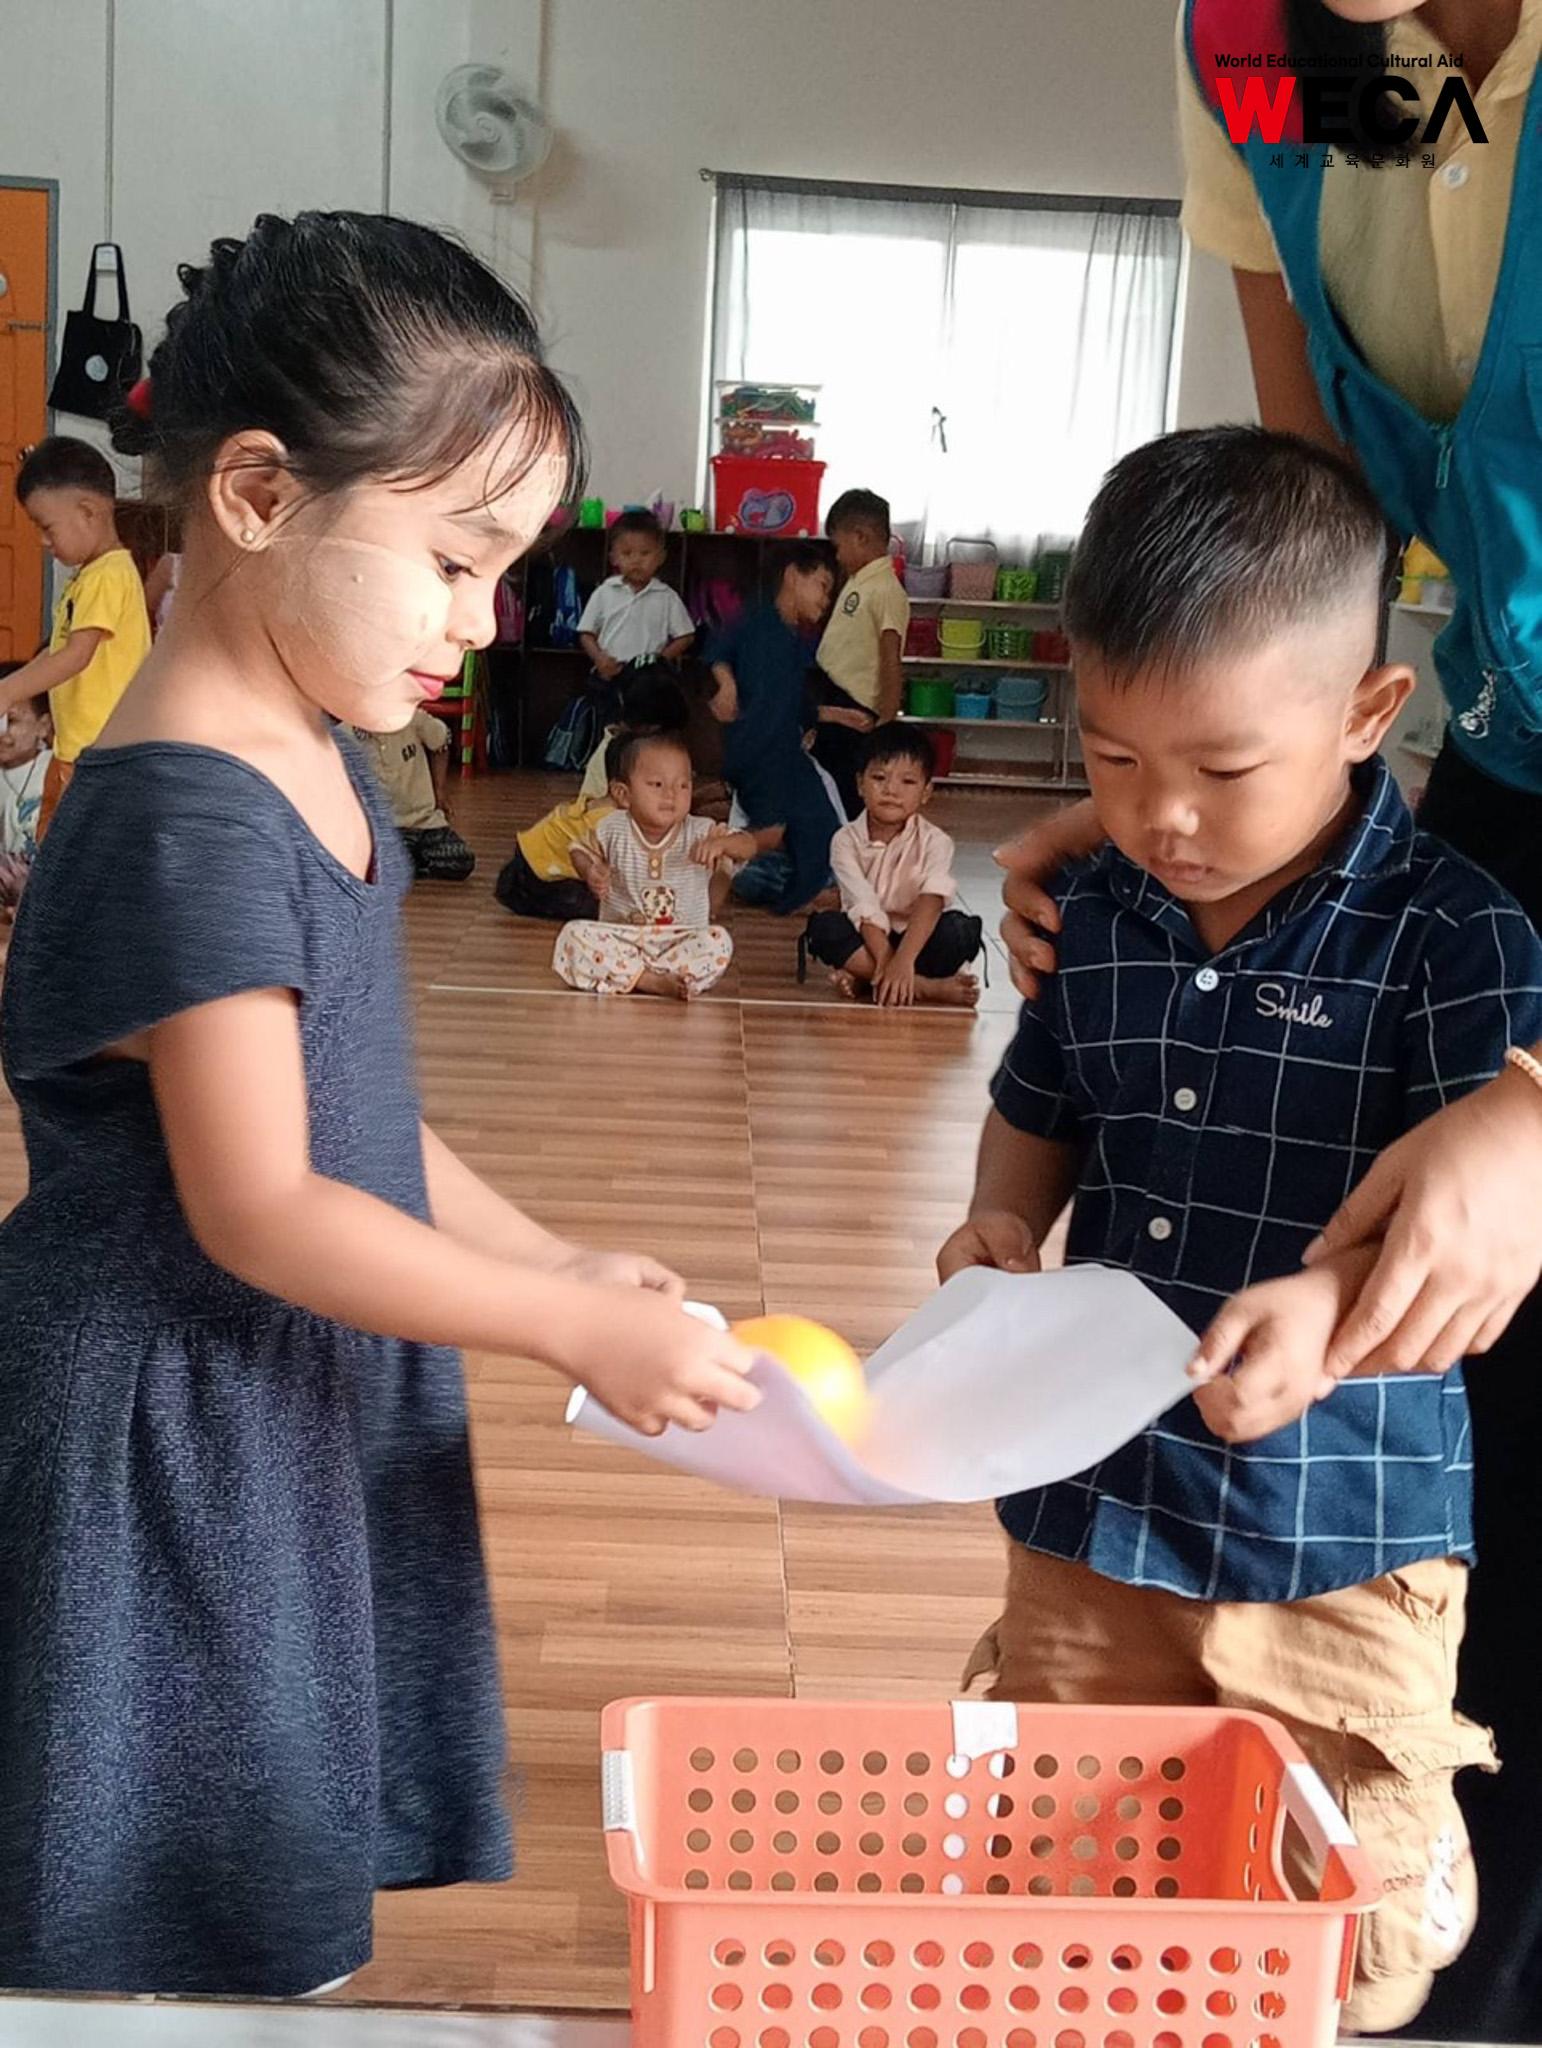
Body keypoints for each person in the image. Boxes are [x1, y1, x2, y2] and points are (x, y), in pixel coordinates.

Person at [0, 210, 759, 2001]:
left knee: (253, 1861)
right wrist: (554, 1323)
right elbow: (264, 1202)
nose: (482, 624)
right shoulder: (188, 817)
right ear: (258, 494)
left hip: (270, 1383)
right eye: (451, 561)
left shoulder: (311, 746)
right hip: (170, 1426)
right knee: (165, 1907)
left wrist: (549, 1253)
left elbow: (356, 1114)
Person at [999, 9, 1542, 2030]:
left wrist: (1532, 1102)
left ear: (1360, 720)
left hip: (1345, 1532)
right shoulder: (1262, 37)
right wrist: (1206, 792)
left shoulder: (1454, 939)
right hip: (1497, 740)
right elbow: (1311, 506)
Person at [0, 436, 152, 838]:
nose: (42, 540)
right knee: (53, 842)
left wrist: (10, 691)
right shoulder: (89, 577)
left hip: (99, 754)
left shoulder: (109, 575)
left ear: (88, 511)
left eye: (46, 527)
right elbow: (57, 648)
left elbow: (76, 655)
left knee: (73, 848)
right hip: (77, 750)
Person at [805, 723, 982, 1008]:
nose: (891, 790)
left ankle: (867, 977)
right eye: (879, 778)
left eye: (907, 782)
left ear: (926, 791)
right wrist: (890, 962)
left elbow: (932, 899)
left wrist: (904, 960)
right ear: (860, 784)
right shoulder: (845, 840)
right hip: (869, 937)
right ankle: (925, 988)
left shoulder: (937, 841)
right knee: (825, 928)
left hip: (917, 939)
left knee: (958, 931)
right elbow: (862, 905)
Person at [708, 543, 844, 913]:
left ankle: (801, 887)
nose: (826, 600)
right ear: (792, 575)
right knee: (776, 829)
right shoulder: (756, 620)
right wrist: (726, 685)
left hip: (781, 752)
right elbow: (718, 650)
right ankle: (724, 869)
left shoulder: (795, 640)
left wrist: (838, 716)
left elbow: (796, 702)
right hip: (760, 751)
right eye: (822, 586)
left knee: (813, 823)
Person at [493, 671, 693, 920]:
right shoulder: (613, 821)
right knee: (611, 903)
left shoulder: (606, 790)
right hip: (539, 875)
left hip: (529, 858)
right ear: (622, 792)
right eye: (656, 785)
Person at [554, 730, 734, 1001]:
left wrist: (723, 845)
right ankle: (649, 980)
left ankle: (629, 975)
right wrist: (590, 870)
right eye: (657, 784)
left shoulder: (701, 830)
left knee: (719, 942)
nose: (671, 795)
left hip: (679, 939)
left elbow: (743, 847)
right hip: (621, 937)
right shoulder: (612, 828)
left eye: (683, 785)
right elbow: (577, 849)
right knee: (573, 935)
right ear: (623, 794)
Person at [812, 488, 909, 816]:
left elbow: (891, 658)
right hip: (831, 693)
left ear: (860, 537)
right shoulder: (858, 581)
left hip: (855, 706)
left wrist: (886, 722)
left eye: (838, 546)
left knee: (845, 787)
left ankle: (852, 840)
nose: (837, 556)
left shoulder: (886, 590)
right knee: (824, 778)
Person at [351, 706, 476, 881]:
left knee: (462, 859)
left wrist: (439, 790)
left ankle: (414, 863)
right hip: (388, 828)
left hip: (427, 822)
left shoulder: (412, 719)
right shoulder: (346, 735)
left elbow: (441, 741)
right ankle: (410, 863)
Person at [576, 508, 695, 691]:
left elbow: (685, 636)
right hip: (610, 672)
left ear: (660, 557)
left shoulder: (666, 596)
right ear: (613, 558)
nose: (636, 560)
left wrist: (659, 661)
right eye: (627, 553)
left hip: (648, 680)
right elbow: (586, 633)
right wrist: (599, 658)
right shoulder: (604, 592)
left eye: (645, 553)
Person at [0, 688, 52, 921]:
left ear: (43, 726)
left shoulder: (54, 769)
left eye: (11, 721)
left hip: (45, 887)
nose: (1, 732)